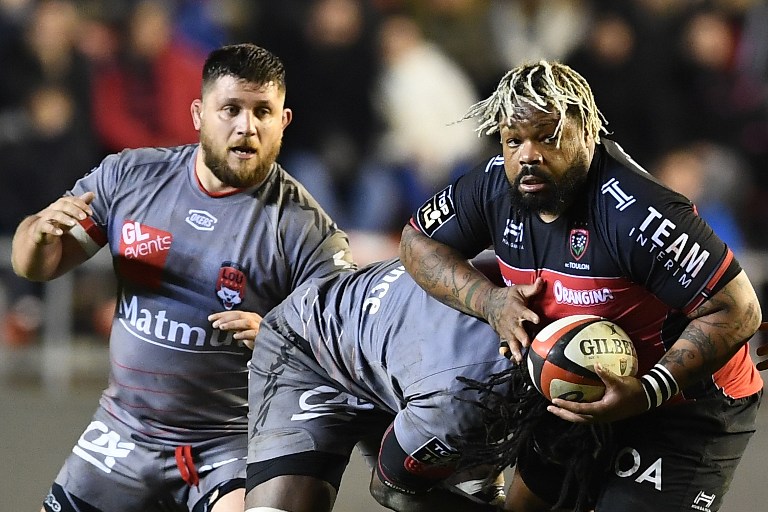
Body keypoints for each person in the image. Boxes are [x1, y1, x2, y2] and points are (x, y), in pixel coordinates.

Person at [399, 60, 763, 511]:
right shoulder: (492, 185)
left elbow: (740, 309)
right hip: (577, 392)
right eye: (514, 141)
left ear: (586, 132)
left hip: (682, 408)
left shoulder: (638, 215)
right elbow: (417, 241)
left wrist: (651, 389)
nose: (528, 154)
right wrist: (489, 300)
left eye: (547, 137)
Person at [11, 43, 355, 512]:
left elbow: (350, 350)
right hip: (123, 429)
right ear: (198, 114)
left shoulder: (304, 231)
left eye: (262, 112)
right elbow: (37, 265)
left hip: (227, 444)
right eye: (230, 109)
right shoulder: (131, 178)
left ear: (283, 121)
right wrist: (37, 232)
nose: (246, 127)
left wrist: (280, 342)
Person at [244, 257, 548, 512]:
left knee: (484, 494)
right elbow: (393, 489)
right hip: (310, 349)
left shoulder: (556, 276)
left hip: (414, 361)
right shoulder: (461, 399)